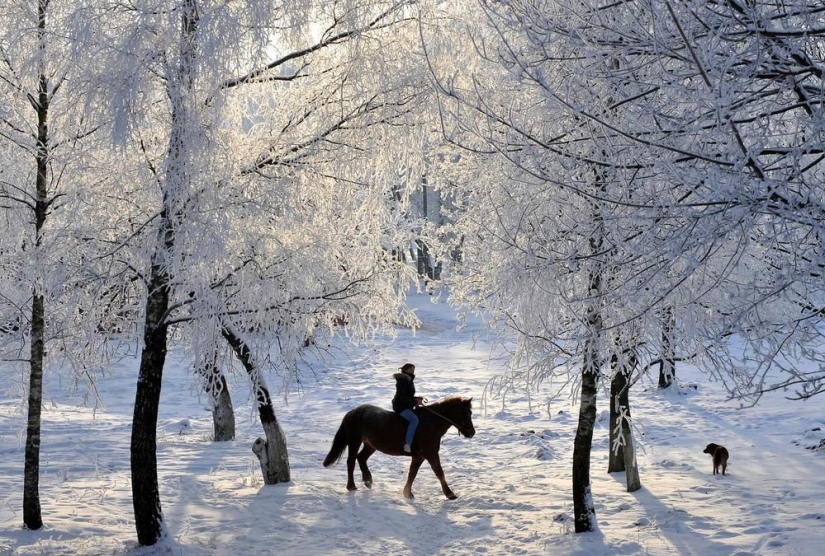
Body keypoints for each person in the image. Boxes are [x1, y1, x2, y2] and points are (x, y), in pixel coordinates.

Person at [392, 363, 423, 453]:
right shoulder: (403, 380)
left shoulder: (408, 379)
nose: (412, 371)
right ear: (405, 370)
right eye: (410, 369)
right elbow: (402, 397)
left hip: (406, 405)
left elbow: (407, 396)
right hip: (400, 406)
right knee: (414, 420)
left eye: (413, 370)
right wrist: (415, 402)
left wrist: (416, 399)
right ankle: (407, 444)